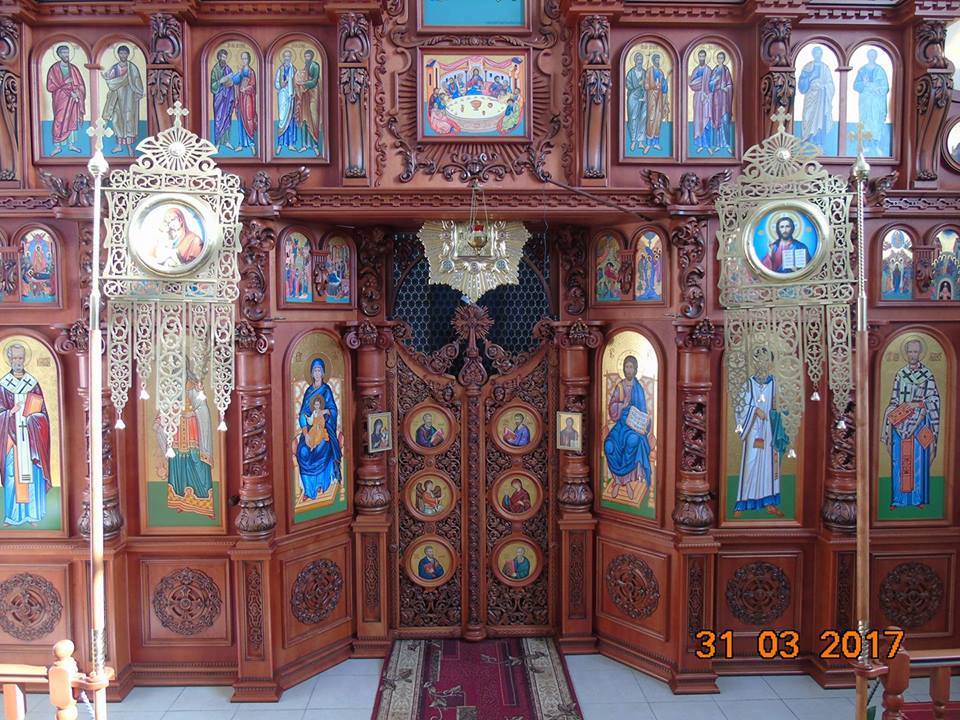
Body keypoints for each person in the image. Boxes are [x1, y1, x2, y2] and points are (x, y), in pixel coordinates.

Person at [882, 339, 940, 510]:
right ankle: (897, 499)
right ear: (906, 353)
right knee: (898, 460)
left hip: (920, 422)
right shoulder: (900, 374)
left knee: (918, 460)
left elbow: (933, 399)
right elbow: (894, 398)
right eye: (910, 352)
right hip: (900, 423)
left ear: (920, 353)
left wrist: (917, 405)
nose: (912, 355)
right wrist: (892, 412)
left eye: (915, 352)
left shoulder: (927, 375)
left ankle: (918, 499)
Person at [0, 343, 52, 526]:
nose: (18, 361)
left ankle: (32, 515)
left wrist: (33, 418)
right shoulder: (3, 385)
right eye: (14, 358)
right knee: (12, 475)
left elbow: (43, 414)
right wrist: (10, 412)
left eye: (20, 358)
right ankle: (12, 516)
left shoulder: (32, 383)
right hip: (11, 439)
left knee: (32, 475)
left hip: (31, 439)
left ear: (25, 359)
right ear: (9, 360)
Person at [734, 348, 789, 517]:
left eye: (765, 360)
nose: (762, 364)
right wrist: (755, 410)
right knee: (750, 462)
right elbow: (740, 406)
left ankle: (770, 503)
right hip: (753, 429)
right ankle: (742, 504)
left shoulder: (775, 383)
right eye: (758, 360)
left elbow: (784, 405)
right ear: (754, 362)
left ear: (770, 363)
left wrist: (780, 411)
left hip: (770, 429)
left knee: (770, 465)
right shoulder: (749, 384)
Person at [156, 362, 213, 517]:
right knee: (178, 463)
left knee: (196, 461)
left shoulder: (194, 387)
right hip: (176, 431)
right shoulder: (172, 388)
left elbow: (203, 408)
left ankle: (204, 502)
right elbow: (165, 407)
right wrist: (160, 419)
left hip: (193, 430)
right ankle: (181, 501)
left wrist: (192, 413)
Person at [603, 355, 653, 500]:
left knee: (632, 441)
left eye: (631, 367)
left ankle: (626, 482)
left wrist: (643, 424)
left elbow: (644, 411)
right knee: (609, 445)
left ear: (635, 369)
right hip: (621, 424)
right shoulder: (620, 386)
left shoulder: (639, 388)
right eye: (626, 367)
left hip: (634, 426)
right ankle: (618, 480)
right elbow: (612, 408)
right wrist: (621, 405)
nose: (628, 370)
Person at [295, 358, 342, 500]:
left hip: (324, 429)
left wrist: (326, 411)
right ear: (311, 373)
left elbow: (333, 410)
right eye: (314, 370)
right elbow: (303, 414)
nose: (317, 373)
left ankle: (321, 484)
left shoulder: (326, 390)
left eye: (319, 370)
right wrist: (305, 434)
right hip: (309, 431)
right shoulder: (308, 391)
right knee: (302, 452)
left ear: (323, 373)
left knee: (321, 448)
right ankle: (309, 490)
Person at [101, 45, 144, 156]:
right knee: (116, 120)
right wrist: (107, 78)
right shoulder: (115, 68)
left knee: (128, 120)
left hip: (129, 97)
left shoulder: (132, 68)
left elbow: (137, 81)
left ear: (128, 54)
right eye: (121, 53)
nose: (123, 55)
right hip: (117, 97)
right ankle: (119, 146)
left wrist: (138, 92)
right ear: (118, 54)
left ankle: (130, 147)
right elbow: (110, 80)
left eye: (125, 53)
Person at [45, 44, 86, 156]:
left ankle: (71, 144)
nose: (66, 55)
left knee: (72, 120)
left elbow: (80, 85)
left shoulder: (73, 69)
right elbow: (50, 87)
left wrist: (77, 93)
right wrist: (64, 83)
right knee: (59, 120)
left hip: (73, 99)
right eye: (63, 53)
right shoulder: (54, 69)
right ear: (59, 54)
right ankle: (57, 146)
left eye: (67, 52)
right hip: (60, 99)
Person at [852, 49, 889, 156]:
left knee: (876, 121)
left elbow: (885, 87)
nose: (871, 57)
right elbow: (856, 85)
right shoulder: (862, 70)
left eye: (873, 55)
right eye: (870, 55)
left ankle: (876, 145)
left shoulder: (880, 70)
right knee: (866, 120)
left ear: (875, 56)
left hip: (876, 101)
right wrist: (863, 84)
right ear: (867, 56)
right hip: (866, 101)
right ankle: (866, 144)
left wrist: (877, 88)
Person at [798, 46, 835, 151]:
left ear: (821, 54)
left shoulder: (825, 68)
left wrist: (823, 86)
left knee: (820, 119)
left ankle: (818, 143)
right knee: (808, 116)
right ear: (813, 54)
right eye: (815, 53)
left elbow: (830, 84)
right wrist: (810, 80)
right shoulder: (807, 67)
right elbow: (801, 83)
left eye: (819, 53)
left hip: (821, 97)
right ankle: (807, 139)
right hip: (810, 95)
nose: (817, 55)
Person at [224, 51, 257, 154]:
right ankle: (241, 144)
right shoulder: (241, 70)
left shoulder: (251, 72)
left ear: (249, 59)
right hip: (241, 98)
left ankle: (251, 144)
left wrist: (246, 89)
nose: (244, 60)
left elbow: (253, 86)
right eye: (243, 58)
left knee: (249, 119)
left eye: (246, 58)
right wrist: (238, 74)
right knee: (240, 120)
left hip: (248, 99)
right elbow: (234, 81)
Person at [294, 49, 323, 155]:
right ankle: (304, 145)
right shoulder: (306, 67)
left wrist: (304, 84)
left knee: (313, 118)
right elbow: (302, 76)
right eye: (305, 56)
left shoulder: (315, 66)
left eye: (308, 56)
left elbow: (314, 81)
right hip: (305, 95)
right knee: (304, 119)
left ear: (312, 57)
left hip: (313, 94)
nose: (306, 58)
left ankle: (315, 145)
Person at [210, 48, 236, 150]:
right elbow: (213, 86)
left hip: (227, 98)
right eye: (221, 57)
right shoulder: (215, 70)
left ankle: (226, 141)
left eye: (225, 57)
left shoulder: (228, 69)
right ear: (218, 57)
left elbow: (232, 82)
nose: (223, 59)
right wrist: (220, 81)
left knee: (227, 119)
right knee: (218, 119)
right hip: (219, 98)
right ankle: (217, 142)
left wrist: (231, 82)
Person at [643, 54, 669, 152]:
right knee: (651, 118)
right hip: (652, 96)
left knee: (658, 119)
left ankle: (656, 143)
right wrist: (654, 85)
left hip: (660, 97)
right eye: (656, 60)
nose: (657, 62)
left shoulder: (661, 72)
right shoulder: (649, 71)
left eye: (658, 60)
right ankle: (649, 143)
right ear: (653, 61)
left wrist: (664, 84)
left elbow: (664, 86)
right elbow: (646, 85)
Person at [708, 51, 733, 154]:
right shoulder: (714, 71)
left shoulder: (726, 70)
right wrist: (714, 80)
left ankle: (727, 144)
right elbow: (710, 85)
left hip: (724, 98)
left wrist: (726, 88)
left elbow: (730, 85)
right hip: (716, 98)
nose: (720, 60)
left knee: (725, 120)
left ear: (724, 59)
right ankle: (718, 145)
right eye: (718, 58)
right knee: (717, 120)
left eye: (722, 58)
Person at [274, 49, 298, 154]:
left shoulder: (294, 70)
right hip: (283, 96)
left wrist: (294, 90)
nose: (287, 58)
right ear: (283, 58)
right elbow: (276, 84)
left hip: (291, 96)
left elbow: (297, 83)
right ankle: (280, 144)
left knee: (291, 119)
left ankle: (290, 144)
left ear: (291, 58)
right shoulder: (280, 69)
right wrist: (282, 83)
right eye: (285, 56)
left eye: (288, 56)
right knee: (282, 119)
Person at [689, 49, 712, 154]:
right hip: (698, 97)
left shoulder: (709, 70)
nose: (701, 58)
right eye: (700, 56)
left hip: (707, 98)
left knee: (706, 121)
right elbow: (692, 84)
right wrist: (700, 81)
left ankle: (707, 145)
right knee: (698, 120)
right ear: (698, 57)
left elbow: (711, 84)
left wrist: (707, 94)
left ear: (705, 57)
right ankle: (700, 144)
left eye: (703, 56)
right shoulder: (696, 70)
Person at [625, 53, 647, 152]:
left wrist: (645, 86)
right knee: (633, 118)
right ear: (635, 61)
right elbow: (628, 84)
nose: (640, 61)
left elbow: (648, 85)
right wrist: (638, 85)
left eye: (641, 59)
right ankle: (633, 140)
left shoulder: (645, 73)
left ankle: (641, 141)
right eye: (638, 59)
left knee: (643, 118)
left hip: (643, 97)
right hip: (633, 98)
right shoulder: (631, 73)